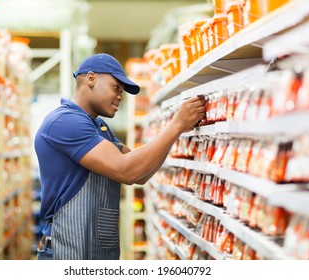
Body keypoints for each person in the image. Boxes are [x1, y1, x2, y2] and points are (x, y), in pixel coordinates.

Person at [34, 53, 205, 260]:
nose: (120, 97)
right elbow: (127, 170)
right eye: (116, 87)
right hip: (67, 252)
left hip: (94, 251)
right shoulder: (65, 122)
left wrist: (177, 130)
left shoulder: (99, 128)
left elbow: (141, 173)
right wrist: (176, 124)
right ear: (91, 78)